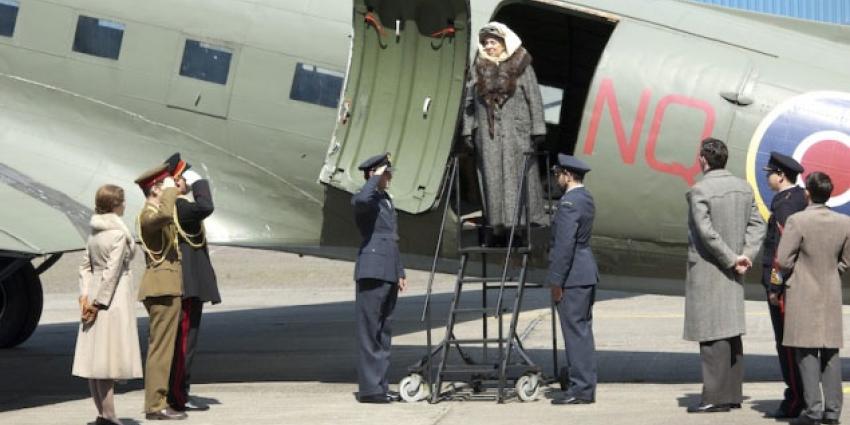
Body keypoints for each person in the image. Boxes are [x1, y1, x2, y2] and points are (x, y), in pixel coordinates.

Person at [684, 137, 765, 413]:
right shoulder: (743, 188)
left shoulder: (700, 190)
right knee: (731, 334)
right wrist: (746, 256)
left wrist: (731, 259)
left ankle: (714, 398)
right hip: (735, 271)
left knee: (711, 334)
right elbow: (758, 226)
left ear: (704, 160)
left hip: (710, 269)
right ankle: (731, 394)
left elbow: (706, 233)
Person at [461, 22, 547, 245]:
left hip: (516, 133)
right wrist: (467, 130)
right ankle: (496, 228)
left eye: (493, 42)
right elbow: (469, 102)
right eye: (485, 43)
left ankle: (519, 226)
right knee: (491, 178)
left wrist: (538, 128)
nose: (488, 47)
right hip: (488, 136)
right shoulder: (477, 67)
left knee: (518, 177)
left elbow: (534, 98)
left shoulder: (522, 66)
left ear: (504, 42)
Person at [776, 172, 850, 425]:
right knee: (830, 354)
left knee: (806, 354)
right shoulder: (844, 222)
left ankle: (813, 410)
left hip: (802, 292)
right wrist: (831, 273)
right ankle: (832, 412)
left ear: (807, 192)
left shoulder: (798, 221)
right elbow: (846, 261)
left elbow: (784, 260)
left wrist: (799, 273)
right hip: (830, 291)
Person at [72, 185, 143, 425]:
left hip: (93, 293)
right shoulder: (119, 234)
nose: (124, 205)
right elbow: (112, 274)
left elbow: (85, 266)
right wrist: (99, 303)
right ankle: (111, 416)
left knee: (95, 360)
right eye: (122, 202)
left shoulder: (94, 232)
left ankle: (102, 413)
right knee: (107, 360)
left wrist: (85, 296)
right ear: (115, 205)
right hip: (112, 299)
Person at [163, 153, 220, 412]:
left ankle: (178, 392)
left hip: (188, 283)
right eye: (183, 178)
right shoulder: (179, 208)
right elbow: (206, 206)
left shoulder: (175, 207)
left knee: (184, 342)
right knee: (185, 343)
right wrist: (199, 183)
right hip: (187, 285)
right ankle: (177, 396)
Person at [351, 152, 407, 403]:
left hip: (387, 271)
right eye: (387, 172)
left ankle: (380, 386)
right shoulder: (365, 200)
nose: (390, 176)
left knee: (384, 332)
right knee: (370, 332)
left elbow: (391, 239)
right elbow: (363, 197)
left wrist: (400, 271)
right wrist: (373, 178)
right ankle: (370, 389)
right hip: (372, 270)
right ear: (375, 174)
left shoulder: (385, 200)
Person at [134, 164, 188, 420]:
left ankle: (159, 401)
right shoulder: (148, 214)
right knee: (161, 350)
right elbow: (166, 215)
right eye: (164, 184)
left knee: (164, 348)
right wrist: (170, 192)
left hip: (167, 287)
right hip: (161, 288)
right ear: (155, 188)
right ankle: (156, 404)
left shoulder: (156, 210)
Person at [547, 154, 598, 405]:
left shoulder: (569, 203)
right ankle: (584, 385)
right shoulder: (585, 198)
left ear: (568, 175)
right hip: (586, 272)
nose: (556, 178)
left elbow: (564, 245)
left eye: (558, 174)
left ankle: (581, 390)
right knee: (583, 332)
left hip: (573, 277)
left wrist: (556, 281)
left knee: (575, 333)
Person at [760, 152, 807, 419]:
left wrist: (775, 287)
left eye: (770, 172)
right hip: (796, 284)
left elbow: (781, 252)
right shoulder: (799, 198)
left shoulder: (785, 205)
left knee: (786, 345)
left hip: (784, 288)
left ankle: (795, 398)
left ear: (781, 175)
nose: (768, 177)